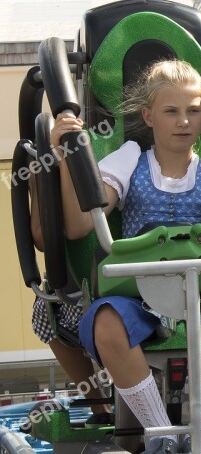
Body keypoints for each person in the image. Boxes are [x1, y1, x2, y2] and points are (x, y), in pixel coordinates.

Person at [51, 59, 201, 454]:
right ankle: (162, 434)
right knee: (105, 322)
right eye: (171, 112)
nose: (184, 121)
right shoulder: (129, 161)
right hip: (139, 299)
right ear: (149, 116)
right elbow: (78, 226)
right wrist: (65, 155)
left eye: (194, 111)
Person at [27, 176, 113, 427]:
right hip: (86, 287)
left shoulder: (124, 161)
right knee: (48, 309)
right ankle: (100, 404)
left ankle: (107, 403)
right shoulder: (50, 162)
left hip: (124, 280)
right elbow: (45, 237)